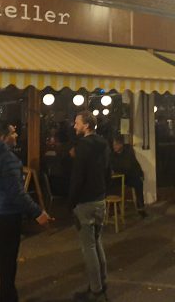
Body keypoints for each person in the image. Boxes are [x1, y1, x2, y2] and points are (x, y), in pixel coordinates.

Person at [0, 122, 53, 302]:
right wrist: (37, 212)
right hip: (6, 217)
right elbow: (16, 192)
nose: (16, 136)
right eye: (13, 133)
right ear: (3, 137)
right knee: (7, 264)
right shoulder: (7, 159)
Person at [70, 111, 110, 302]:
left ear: (86, 125)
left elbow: (78, 177)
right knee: (97, 241)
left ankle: (96, 289)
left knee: (89, 247)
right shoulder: (104, 144)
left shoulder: (82, 147)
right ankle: (102, 280)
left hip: (85, 200)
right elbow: (107, 170)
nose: (74, 126)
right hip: (100, 198)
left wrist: (71, 201)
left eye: (77, 123)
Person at [111, 134, 147, 218]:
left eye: (116, 145)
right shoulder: (112, 155)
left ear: (121, 145)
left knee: (139, 183)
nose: (114, 147)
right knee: (112, 186)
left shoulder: (128, 152)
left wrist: (140, 173)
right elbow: (114, 167)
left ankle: (141, 208)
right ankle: (116, 208)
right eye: (113, 145)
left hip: (129, 177)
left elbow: (135, 163)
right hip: (118, 178)